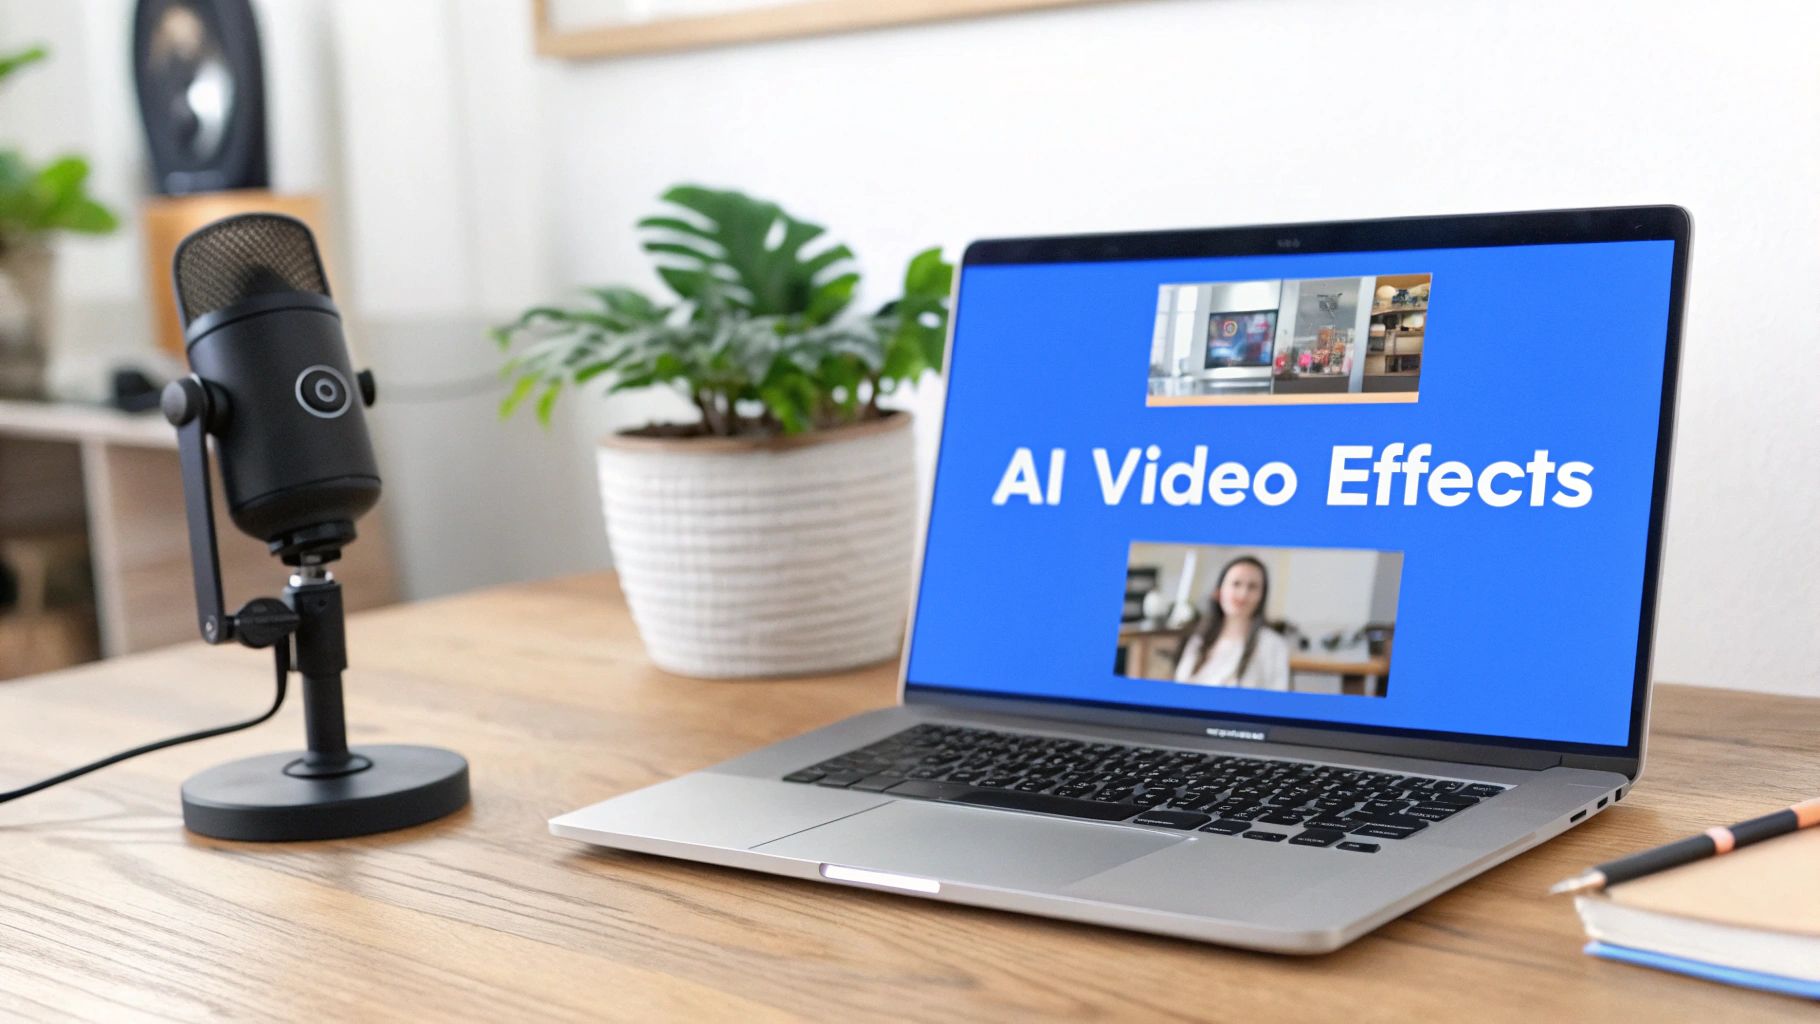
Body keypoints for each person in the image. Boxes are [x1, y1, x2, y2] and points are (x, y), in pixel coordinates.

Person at [1172, 555, 1292, 690]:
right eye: (1236, 584)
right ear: (1218, 591)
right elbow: (1181, 686)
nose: (1243, 594)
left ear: (1262, 596)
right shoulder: (1200, 637)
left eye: (1252, 587)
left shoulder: (1273, 644)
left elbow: (1276, 699)